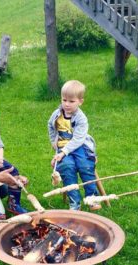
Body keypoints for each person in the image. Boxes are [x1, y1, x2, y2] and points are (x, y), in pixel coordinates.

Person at [47, 80, 100, 211]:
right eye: (64, 100)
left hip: (80, 147)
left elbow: (78, 140)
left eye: (71, 101)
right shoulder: (57, 114)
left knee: (85, 166)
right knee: (67, 167)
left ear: (80, 101)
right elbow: (50, 126)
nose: (67, 104)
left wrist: (63, 152)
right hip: (62, 149)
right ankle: (74, 202)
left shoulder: (81, 118)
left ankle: (92, 198)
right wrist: (54, 142)